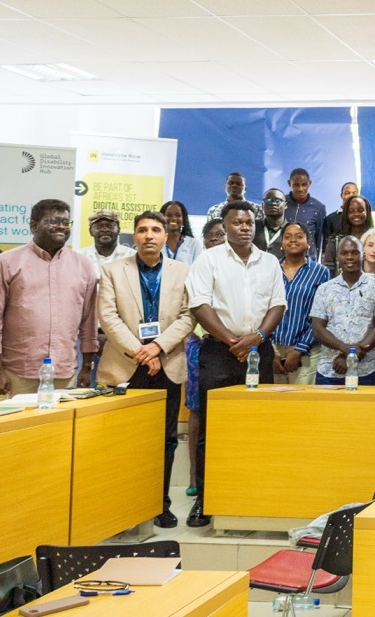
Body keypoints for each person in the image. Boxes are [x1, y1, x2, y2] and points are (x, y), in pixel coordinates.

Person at [185, 201, 287, 527]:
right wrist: (232, 341)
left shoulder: (269, 261)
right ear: (225, 226)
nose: (244, 227)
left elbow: (277, 304)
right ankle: (205, 500)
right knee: (212, 429)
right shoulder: (208, 259)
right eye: (237, 222)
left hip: (259, 351)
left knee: (260, 427)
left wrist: (256, 336)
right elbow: (199, 305)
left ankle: (254, 494)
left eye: (249, 222)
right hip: (219, 352)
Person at [96, 210, 194, 528]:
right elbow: (108, 318)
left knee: (165, 439)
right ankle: (125, 506)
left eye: (155, 230)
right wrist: (141, 351)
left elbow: (188, 316)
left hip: (166, 365)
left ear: (166, 236)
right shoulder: (111, 271)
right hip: (124, 366)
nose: (149, 235)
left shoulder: (184, 271)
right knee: (125, 440)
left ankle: (159, 504)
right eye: (142, 230)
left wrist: (157, 347)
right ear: (134, 237)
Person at [0, 199, 97, 396]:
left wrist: (86, 367)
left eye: (66, 222)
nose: (61, 226)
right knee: (18, 427)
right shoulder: (6, 262)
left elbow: (89, 321)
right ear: (33, 225)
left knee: (60, 427)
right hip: (18, 373)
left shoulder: (83, 265)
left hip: (64, 372)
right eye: (52, 221)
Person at [310, 236, 375, 386]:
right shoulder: (324, 289)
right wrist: (347, 350)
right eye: (344, 253)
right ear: (337, 256)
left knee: (364, 411)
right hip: (330, 369)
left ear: (363, 255)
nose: (349, 257)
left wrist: (351, 355)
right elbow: (317, 328)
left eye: (355, 253)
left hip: (366, 370)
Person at [184, 217, 226, 499]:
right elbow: (193, 308)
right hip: (199, 344)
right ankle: (194, 477)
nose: (216, 239)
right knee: (198, 411)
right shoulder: (198, 267)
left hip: (233, 346)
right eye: (211, 236)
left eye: (221, 234)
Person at [271, 222, 330, 385]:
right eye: (287, 237)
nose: (293, 241)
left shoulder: (321, 272)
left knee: (301, 405)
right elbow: (261, 309)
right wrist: (271, 352)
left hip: (307, 351)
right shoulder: (270, 268)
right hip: (272, 348)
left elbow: (322, 314)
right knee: (273, 405)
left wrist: (299, 350)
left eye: (299, 236)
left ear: (308, 242)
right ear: (282, 243)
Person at [323, 194, 374, 277]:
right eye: (351, 211)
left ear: (367, 212)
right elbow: (328, 274)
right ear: (346, 214)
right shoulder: (335, 242)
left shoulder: (374, 240)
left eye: (360, 210)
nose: (356, 214)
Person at [284, 167, 327, 261]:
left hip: (308, 260)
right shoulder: (281, 204)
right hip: (283, 258)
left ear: (310, 183)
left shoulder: (319, 208)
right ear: (289, 183)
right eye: (296, 185)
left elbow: (319, 239)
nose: (300, 189)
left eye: (304, 185)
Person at [80, 209, 135, 277]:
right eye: (99, 226)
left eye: (110, 226)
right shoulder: (79, 257)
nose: (105, 230)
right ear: (90, 231)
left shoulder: (132, 257)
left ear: (119, 230)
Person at [160, 200, 202, 265]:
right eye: (169, 215)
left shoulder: (193, 244)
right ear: (162, 218)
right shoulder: (156, 242)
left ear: (183, 220)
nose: (173, 218)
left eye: (178, 215)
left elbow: (198, 270)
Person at [253, 189, 287, 259]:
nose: (273, 203)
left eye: (278, 201)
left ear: (285, 205)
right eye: (268, 200)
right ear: (262, 205)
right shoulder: (252, 226)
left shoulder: (292, 230)